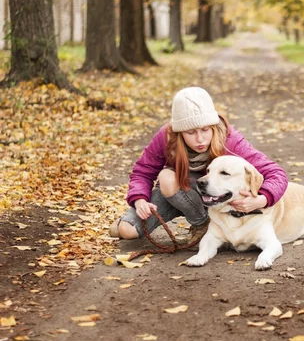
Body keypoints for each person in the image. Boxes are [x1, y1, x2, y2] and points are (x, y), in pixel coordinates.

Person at [109, 87, 288, 242]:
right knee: (126, 231)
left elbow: (276, 173)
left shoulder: (229, 140)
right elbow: (142, 171)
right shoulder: (166, 137)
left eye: (205, 130)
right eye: (191, 132)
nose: (200, 139)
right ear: (179, 131)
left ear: (212, 125)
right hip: (173, 193)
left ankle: (203, 225)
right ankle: (127, 222)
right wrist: (140, 200)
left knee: (167, 177)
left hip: (211, 200)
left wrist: (261, 199)